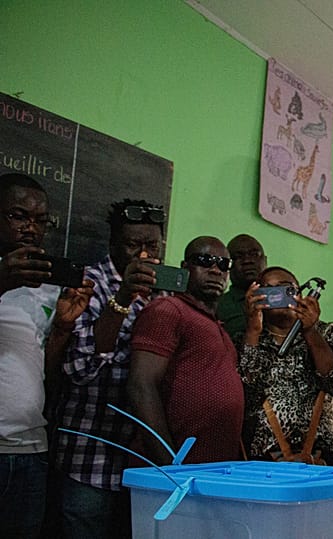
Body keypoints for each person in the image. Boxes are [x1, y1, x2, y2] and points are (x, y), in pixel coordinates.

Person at [54, 198, 164, 539]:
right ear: (113, 244)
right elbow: (79, 368)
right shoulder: (89, 282)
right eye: (133, 245)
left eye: (152, 246)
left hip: (138, 463)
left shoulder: (162, 290)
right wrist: (124, 295)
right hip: (89, 460)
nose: (144, 256)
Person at [0, 173, 92, 539]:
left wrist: (63, 329)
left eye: (40, 221)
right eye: (18, 216)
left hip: (31, 447)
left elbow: (45, 373)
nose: (30, 228)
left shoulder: (44, 285)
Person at [128, 236, 243, 465]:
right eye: (204, 260)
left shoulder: (216, 326)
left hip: (210, 469)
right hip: (174, 472)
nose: (215, 270)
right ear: (184, 268)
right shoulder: (169, 309)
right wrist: (170, 464)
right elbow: (141, 386)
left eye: (223, 265)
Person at [239, 266, 333, 466]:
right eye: (268, 290)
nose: (278, 295)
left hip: (321, 454)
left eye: (286, 289)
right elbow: (246, 397)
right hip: (267, 456)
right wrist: (253, 331)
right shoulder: (248, 338)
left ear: (299, 293)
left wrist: (310, 330)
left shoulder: (328, 333)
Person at [216, 233, 267, 342]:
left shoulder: (281, 299)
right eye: (239, 257)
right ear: (228, 265)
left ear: (265, 261)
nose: (247, 261)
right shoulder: (217, 305)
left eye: (254, 254)